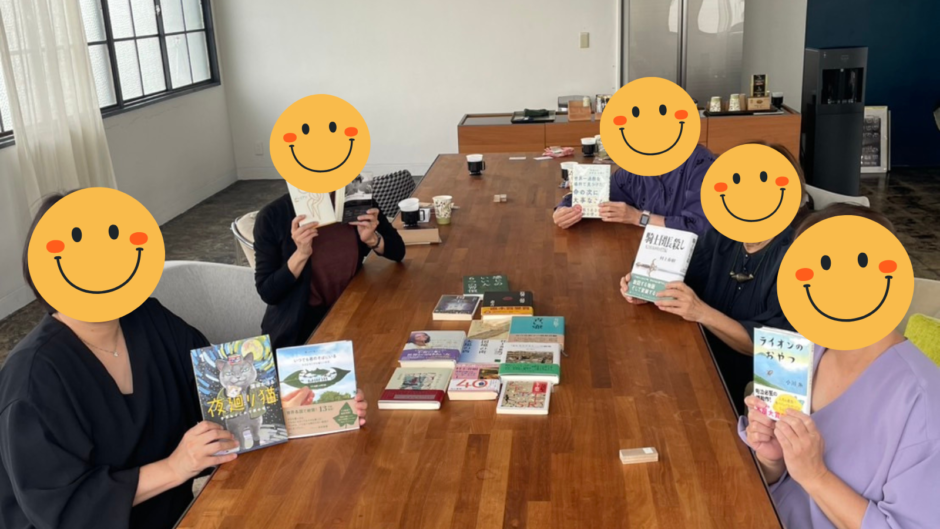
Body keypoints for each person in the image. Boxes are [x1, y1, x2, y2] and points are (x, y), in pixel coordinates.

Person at [0, 193, 368, 529]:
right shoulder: (33, 378)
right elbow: (61, 509)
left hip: (178, 515)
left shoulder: (149, 319)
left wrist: (314, 402)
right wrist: (176, 467)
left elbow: (221, 396)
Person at [741, 205, 940, 529]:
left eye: (858, 263)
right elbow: (772, 478)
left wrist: (816, 476)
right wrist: (770, 457)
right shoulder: (800, 351)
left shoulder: (924, 403)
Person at [620, 144, 809, 414]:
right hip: (699, 357)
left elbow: (769, 349)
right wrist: (645, 286)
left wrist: (700, 312)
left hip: (751, 388)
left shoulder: (797, 258)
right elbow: (682, 273)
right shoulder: (722, 235)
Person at [253, 191, 405, 349]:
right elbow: (268, 292)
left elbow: (398, 251)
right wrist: (301, 254)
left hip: (354, 311)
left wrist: (372, 239)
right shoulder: (272, 215)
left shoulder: (355, 198)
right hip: (300, 330)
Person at [553, 144, 715, 236]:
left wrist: (638, 217)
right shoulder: (635, 167)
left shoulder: (700, 162)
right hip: (649, 253)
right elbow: (599, 193)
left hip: (699, 263)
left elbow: (700, 228)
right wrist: (563, 209)